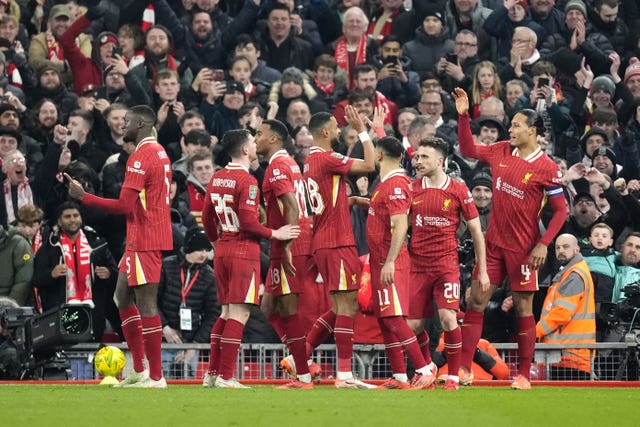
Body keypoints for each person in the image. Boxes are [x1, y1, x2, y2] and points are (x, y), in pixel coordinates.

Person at [452, 87, 567, 390]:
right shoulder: (502, 150)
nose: (511, 130)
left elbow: (560, 211)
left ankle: (524, 375)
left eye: (516, 125)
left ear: (533, 130)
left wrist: (543, 244)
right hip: (492, 245)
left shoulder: (547, 168)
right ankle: (463, 369)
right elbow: (468, 149)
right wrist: (464, 116)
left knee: (522, 308)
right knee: (476, 301)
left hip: (524, 249)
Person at [66, 105, 172, 388]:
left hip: (146, 238)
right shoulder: (159, 151)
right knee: (121, 297)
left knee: (146, 304)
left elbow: (125, 205)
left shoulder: (140, 156)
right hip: (141, 236)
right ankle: (138, 369)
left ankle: (156, 376)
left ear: (140, 123)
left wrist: (83, 196)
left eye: (127, 121)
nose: (123, 125)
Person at [201, 129, 300, 389]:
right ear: (245, 150)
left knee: (224, 313)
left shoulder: (217, 177)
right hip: (244, 252)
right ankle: (226, 376)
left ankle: (212, 374)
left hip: (223, 250)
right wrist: (274, 233)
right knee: (240, 314)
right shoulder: (248, 182)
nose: (256, 146)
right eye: (253, 143)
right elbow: (248, 221)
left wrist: (217, 244)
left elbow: (207, 218)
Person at [299, 107, 377, 389]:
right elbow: (369, 165)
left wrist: (352, 201)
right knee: (348, 305)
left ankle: (300, 355)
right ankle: (344, 375)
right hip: (336, 240)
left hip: (325, 239)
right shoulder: (328, 158)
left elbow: (327, 199)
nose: (339, 129)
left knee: (339, 305)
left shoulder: (310, 161)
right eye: (335, 126)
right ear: (324, 132)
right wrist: (364, 131)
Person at [407, 137, 489, 391]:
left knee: (447, 318)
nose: (418, 161)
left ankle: (453, 376)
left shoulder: (458, 190)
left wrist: (482, 270)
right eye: (417, 157)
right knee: (413, 326)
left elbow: (476, 231)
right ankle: (427, 368)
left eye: (424, 157)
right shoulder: (412, 188)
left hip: (446, 264)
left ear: (440, 161)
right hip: (417, 265)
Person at [366, 135, 442, 390]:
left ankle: (423, 369)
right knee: (385, 320)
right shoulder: (389, 183)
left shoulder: (395, 184)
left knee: (395, 319)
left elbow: (400, 224)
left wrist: (389, 262)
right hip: (380, 261)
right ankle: (399, 376)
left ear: (378, 156)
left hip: (391, 261)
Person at [254, 119, 315, 389]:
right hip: (287, 239)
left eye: (259, 134)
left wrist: (288, 245)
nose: (255, 139)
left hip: (292, 243)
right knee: (268, 306)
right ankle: (301, 358)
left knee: (289, 307)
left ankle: (302, 374)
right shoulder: (289, 163)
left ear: (273, 139)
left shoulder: (277, 167)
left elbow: (292, 205)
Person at [32, 201, 120, 341]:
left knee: (90, 352)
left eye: (75, 215)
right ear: (59, 222)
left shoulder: (97, 244)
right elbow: (36, 280)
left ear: (81, 218)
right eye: (67, 216)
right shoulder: (49, 247)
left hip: (93, 312)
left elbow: (116, 274)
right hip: (60, 311)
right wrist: (51, 274)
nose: (72, 219)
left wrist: (109, 273)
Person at [158, 227, 218, 379]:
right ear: (189, 247)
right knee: (159, 384)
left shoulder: (209, 276)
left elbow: (213, 314)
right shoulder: (166, 266)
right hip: (164, 342)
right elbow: (152, 302)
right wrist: (165, 328)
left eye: (207, 250)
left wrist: (194, 345)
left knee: (188, 387)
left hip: (190, 344)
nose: (204, 254)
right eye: (200, 249)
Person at [537, 233, 596, 380]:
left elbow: (562, 313)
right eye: (558, 247)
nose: (561, 250)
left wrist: (535, 332)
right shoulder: (568, 272)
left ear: (577, 249)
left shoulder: (574, 275)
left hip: (571, 355)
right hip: (566, 355)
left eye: (565, 246)